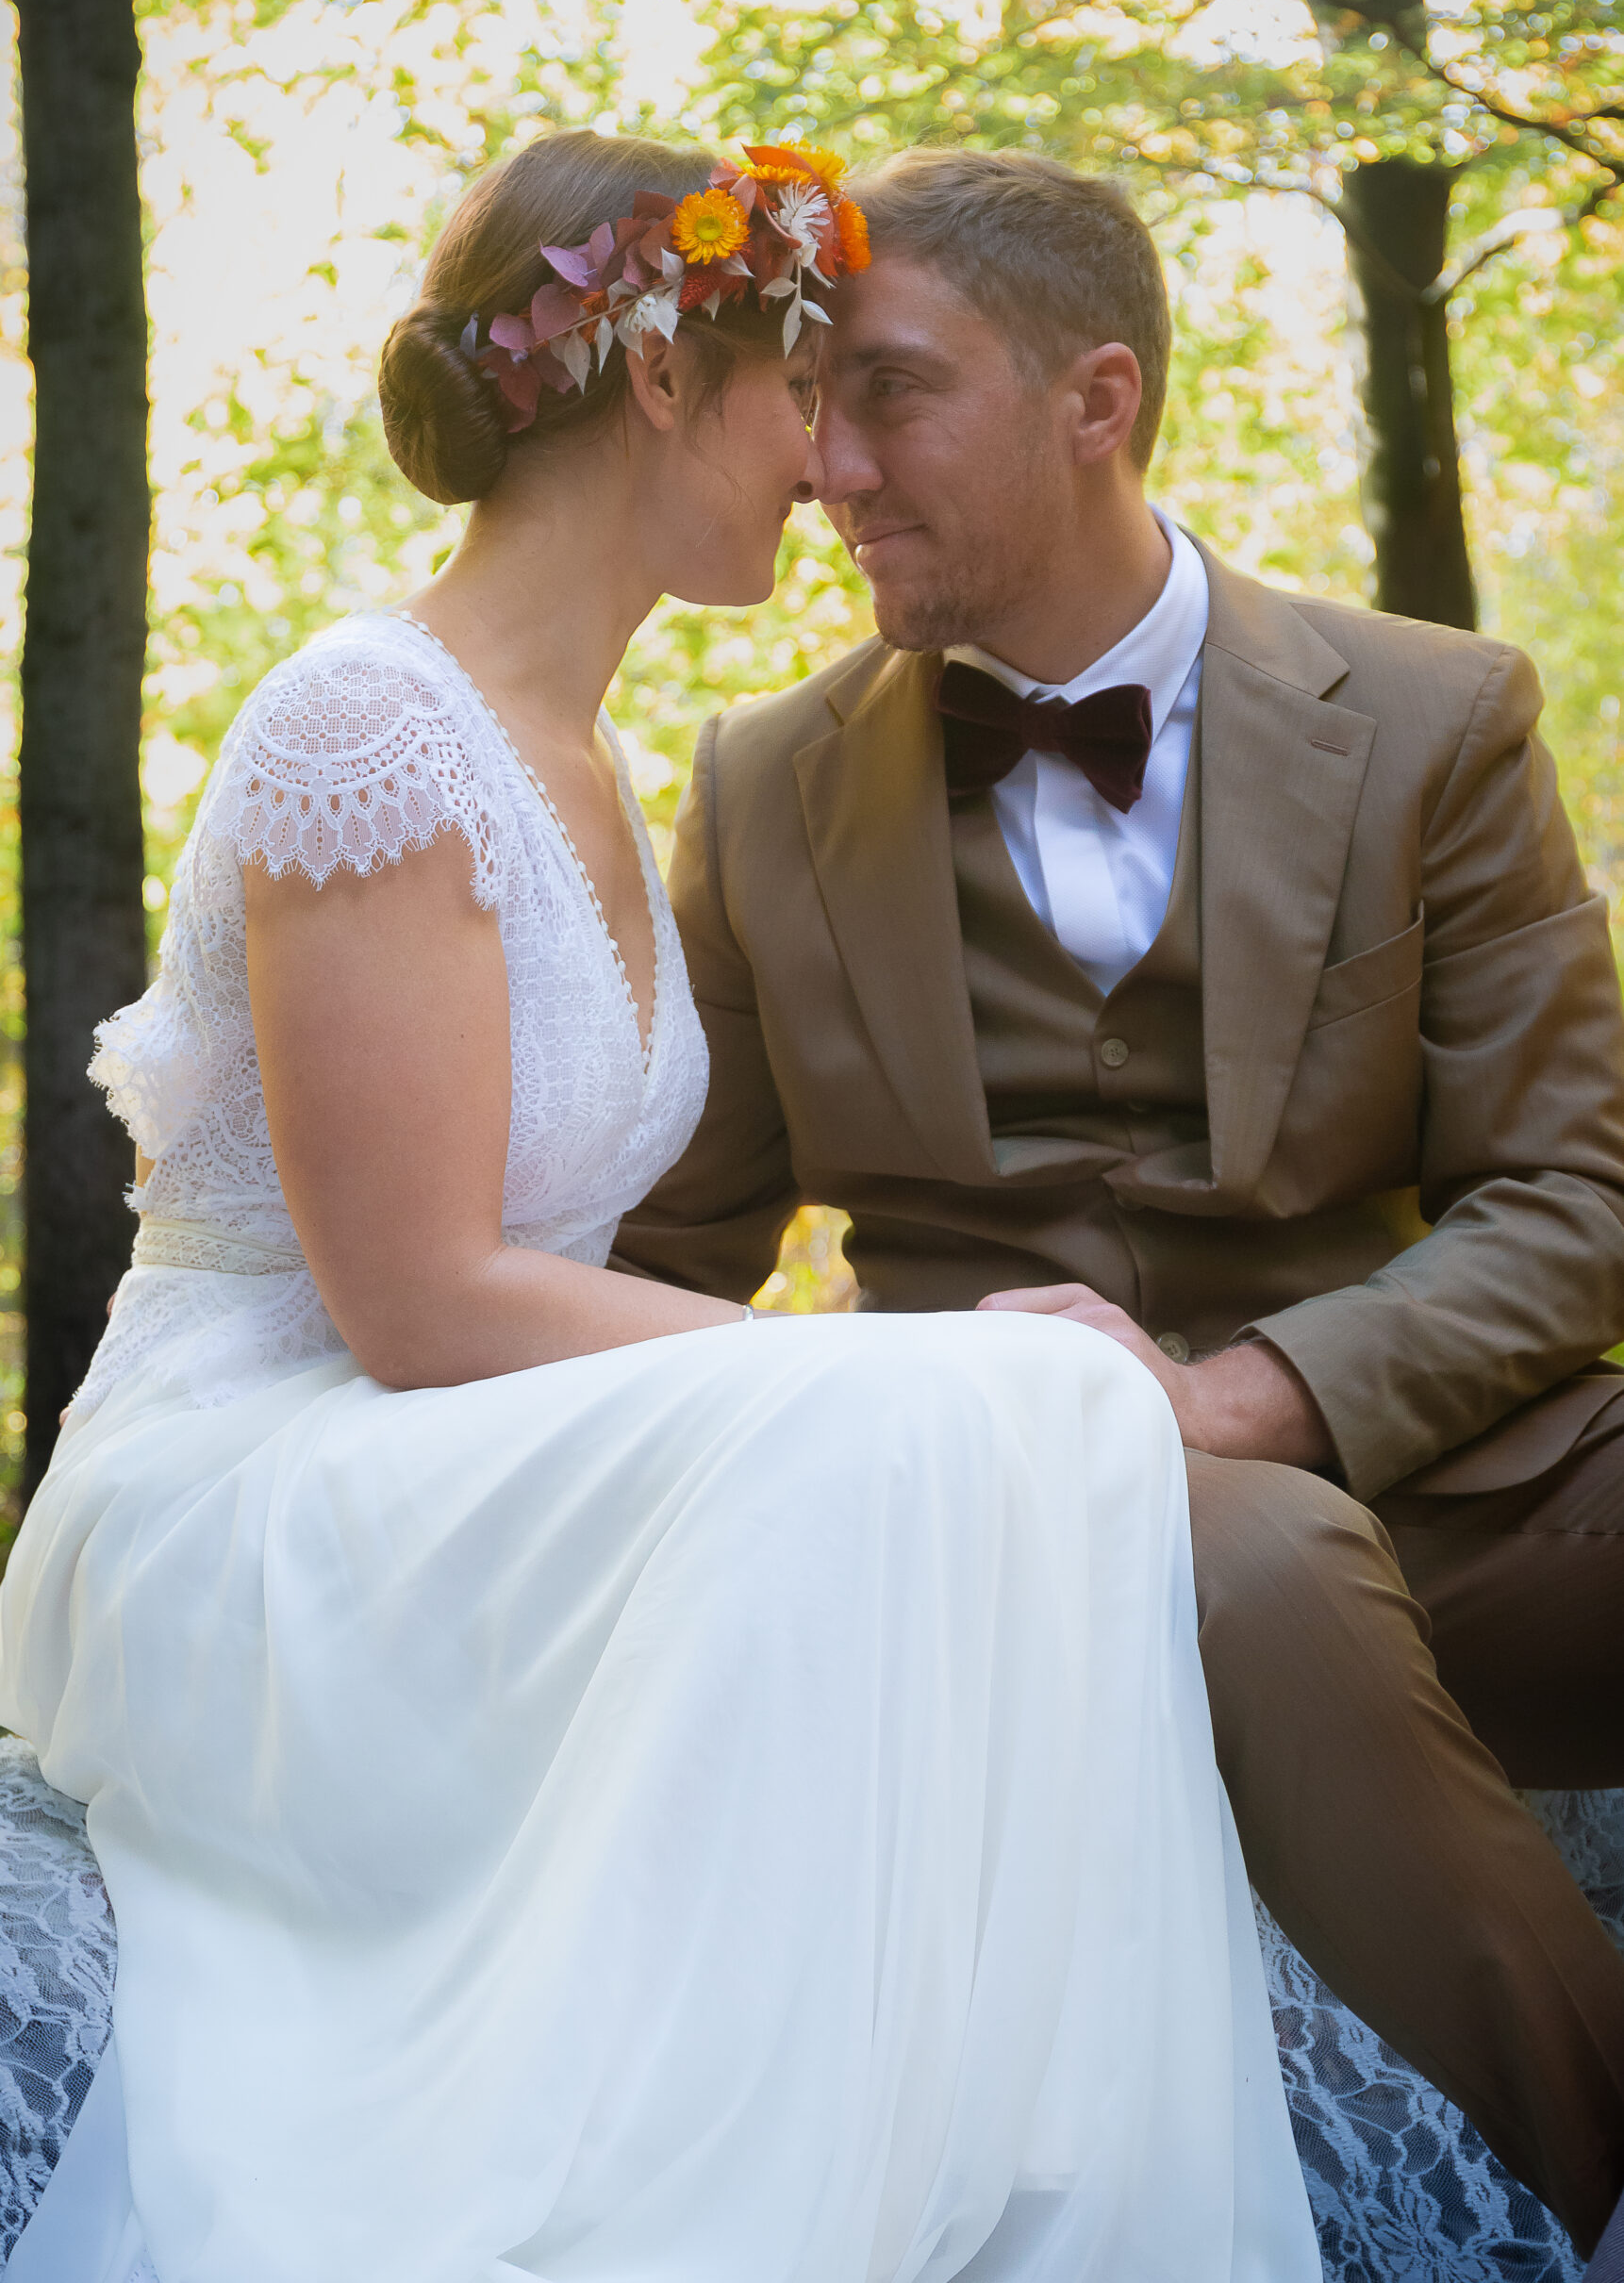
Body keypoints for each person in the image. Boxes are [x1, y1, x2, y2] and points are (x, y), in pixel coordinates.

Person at [0, 130, 1321, 2283]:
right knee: (968, 1407)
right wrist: (894, 1359)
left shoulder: (600, 760)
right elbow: (422, 1297)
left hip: (425, 1460)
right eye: (801, 388)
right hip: (248, 1481)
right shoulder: (368, 723)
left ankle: (1028, 2191)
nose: (826, 461)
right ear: (653, 375)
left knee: (1031, 1417)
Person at [611, 144, 1624, 2267]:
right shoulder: (756, 784)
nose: (826, 466)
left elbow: (1577, 1188)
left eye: (890, 392)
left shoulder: (1436, 718)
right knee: (1233, 1564)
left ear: (1101, 398)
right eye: (810, 404)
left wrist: (1253, 1391)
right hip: (1017, 1520)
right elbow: (661, 1261)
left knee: (1261, 1512)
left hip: (1436, 1473)